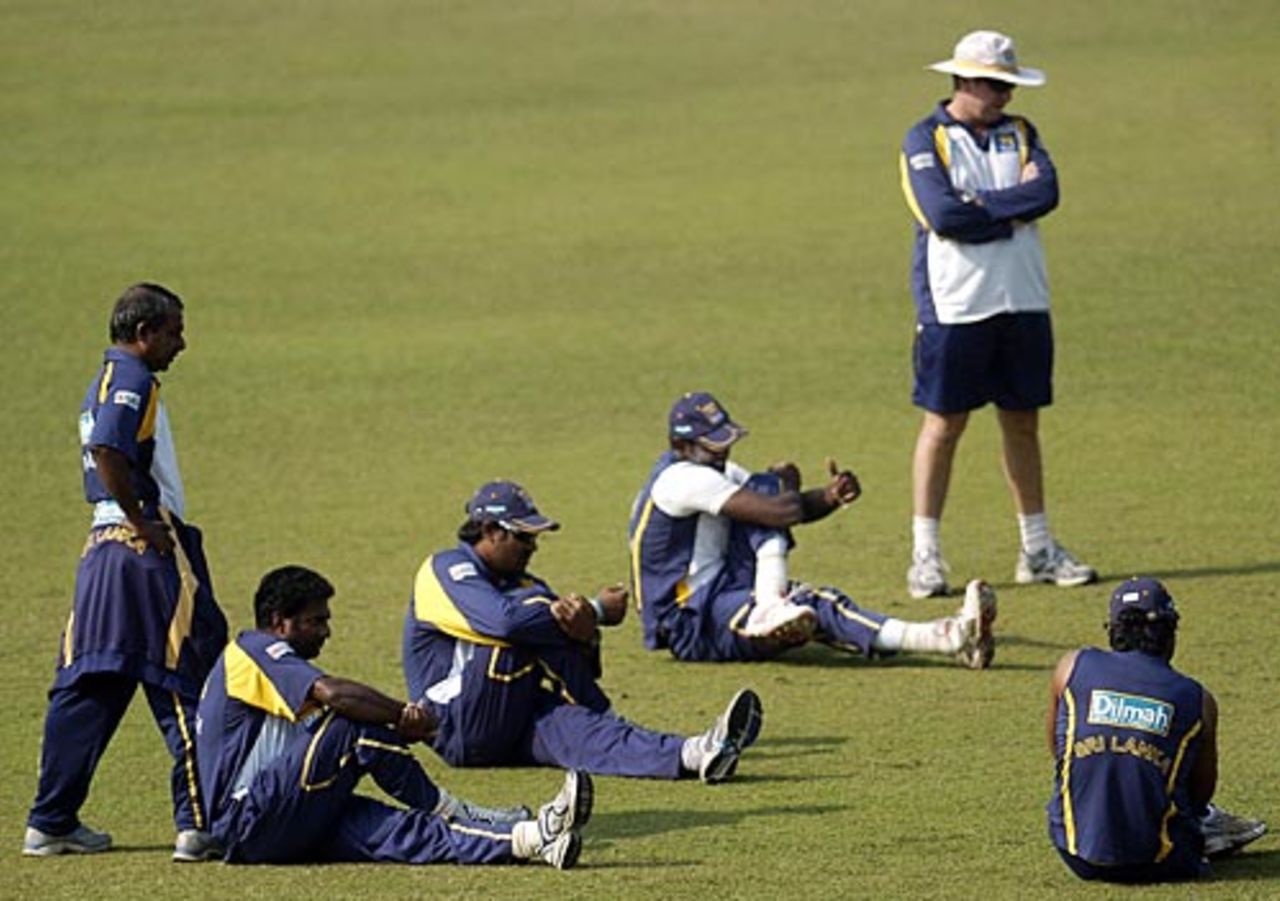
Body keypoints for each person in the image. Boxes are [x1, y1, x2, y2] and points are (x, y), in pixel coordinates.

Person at [196, 565, 590, 869]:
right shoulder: (255, 649)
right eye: (317, 620)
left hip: (279, 819)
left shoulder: (264, 671)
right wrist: (403, 715)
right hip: (248, 820)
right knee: (351, 724)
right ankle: (453, 808)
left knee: (405, 833)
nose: (327, 631)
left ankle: (535, 837)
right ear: (280, 621)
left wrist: (397, 725)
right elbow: (335, 695)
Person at [24, 283, 229, 862]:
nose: (181, 343)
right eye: (173, 330)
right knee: (190, 672)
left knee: (92, 683)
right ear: (144, 334)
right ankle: (200, 823)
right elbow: (108, 449)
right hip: (145, 547)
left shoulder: (106, 381)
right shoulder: (131, 381)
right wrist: (143, 523)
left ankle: (51, 821)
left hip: (100, 552)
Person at [899, 30, 1097, 598]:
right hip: (956, 305)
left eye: (1008, 85)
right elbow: (942, 215)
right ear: (962, 80)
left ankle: (1037, 548)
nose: (1004, 96)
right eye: (994, 84)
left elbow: (1048, 194)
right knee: (944, 425)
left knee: (1022, 421)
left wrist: (981, 207)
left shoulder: (1023, 133)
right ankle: (926, 556)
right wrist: (1009, 211)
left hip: (1023, 299)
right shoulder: (925, 137)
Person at [402, 480, 763, 784]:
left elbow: (575, 660)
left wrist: (586, 634)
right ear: (491, 532)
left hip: (513, 712)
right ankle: (603, 712)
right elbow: (505, 622)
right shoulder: (445, 569)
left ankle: (699, 753)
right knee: (521, 631)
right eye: (524, 537)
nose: (533, 547)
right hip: (459, 725)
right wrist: (597, 609)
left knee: (590, 733)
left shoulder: (528, 584)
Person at [628, 391, 996, 668]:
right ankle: (770, 605)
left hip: (714, 594)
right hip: (688, 619)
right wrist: (784, 482)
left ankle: (950, 638)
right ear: (681, 445)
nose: (723, 453)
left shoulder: (709, 471)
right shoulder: (680, 480)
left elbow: (790, 509)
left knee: (819, 607)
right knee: (772, 500)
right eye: (713, 446)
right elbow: (780, 510)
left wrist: (829, 497)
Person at [1046, 577, 1267, 882]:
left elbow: (1059, 751)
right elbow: (1201, 791)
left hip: (1075, 853)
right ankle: (1206, 832)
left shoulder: (1071, 667)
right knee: (1186, 803)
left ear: (1112, 630)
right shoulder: (1197, 699)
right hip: (1162, 862)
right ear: (1171, 633)